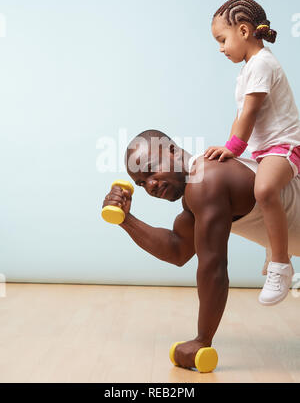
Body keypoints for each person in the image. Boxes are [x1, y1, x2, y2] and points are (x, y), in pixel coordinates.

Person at [102, 130, 300, 368]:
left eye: (152, 169)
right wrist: (125, 219)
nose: (151, 185)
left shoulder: (206, 180)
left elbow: (213, 267)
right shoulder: (197, 191)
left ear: (173, 152)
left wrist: (202, 340)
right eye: (142, 183)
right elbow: (178, 250)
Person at [206, 0, 300, 305]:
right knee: (241, 182)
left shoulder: (262, 64)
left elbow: (250, 114)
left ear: (244, 31)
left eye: (222, 39)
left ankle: (281, 263)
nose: (220, 48)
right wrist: (228, 148)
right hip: (264, 149)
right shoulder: (248, 69)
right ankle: (275, 248)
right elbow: (239, 116)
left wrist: (234, 147)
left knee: (266, 190)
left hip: (285, 146)